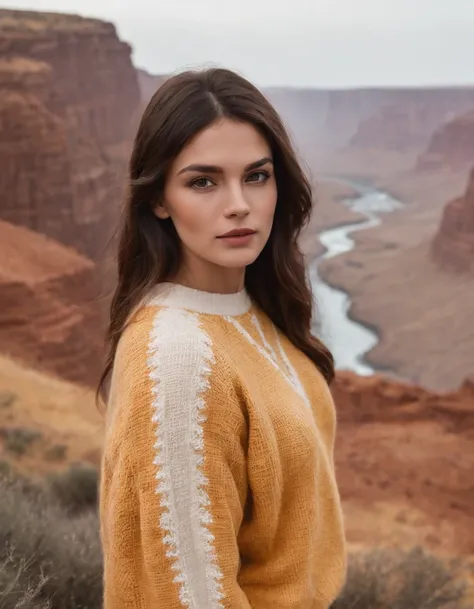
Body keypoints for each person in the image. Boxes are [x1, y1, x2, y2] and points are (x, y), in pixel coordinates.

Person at [98, 67, 347, 609]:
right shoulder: (178, 357)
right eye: (203, 181)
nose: (239, 204)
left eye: (256, 176)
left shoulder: (251, 310)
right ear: (159, 198)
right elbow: (188, 593)